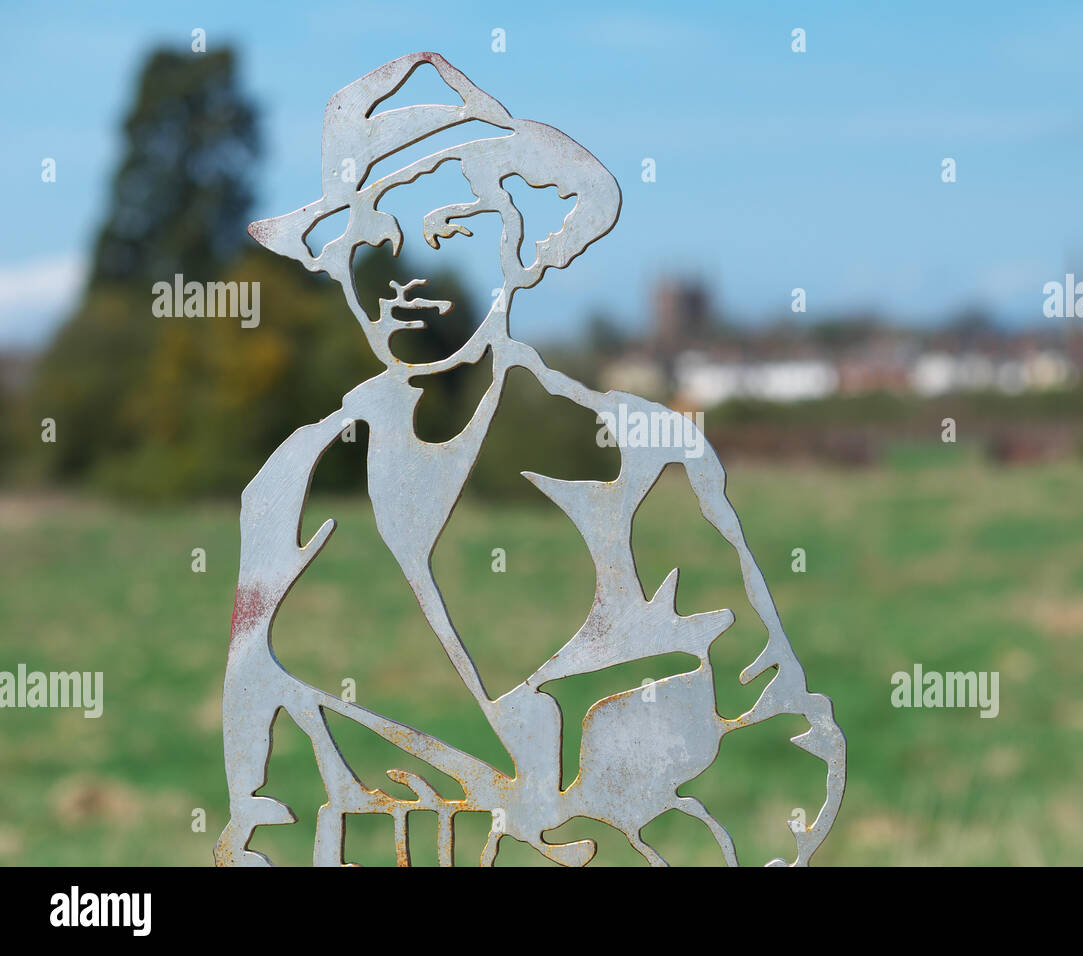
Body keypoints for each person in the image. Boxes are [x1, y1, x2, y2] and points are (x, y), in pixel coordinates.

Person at [216, 52, 844, 867]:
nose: (405, 272)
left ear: (519, 245)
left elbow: (773, 716)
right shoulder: (293, 481)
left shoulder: (639, 458)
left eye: (449, 226)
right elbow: (257, 744)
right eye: (373, 238)